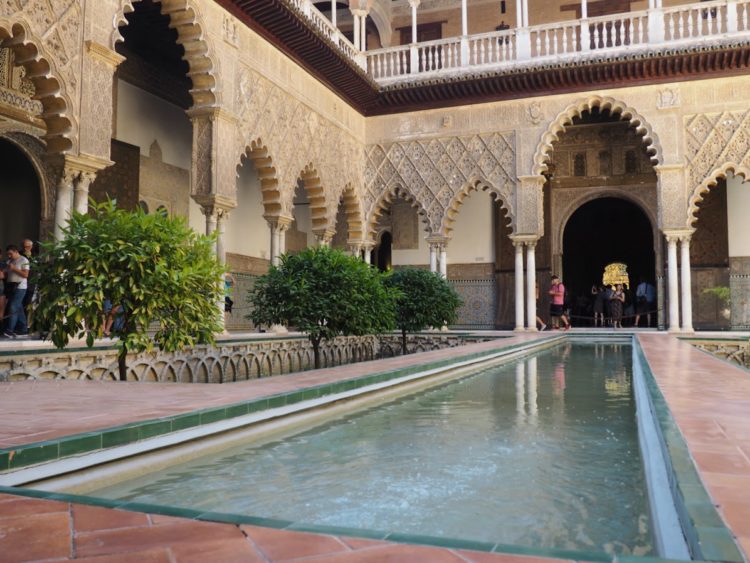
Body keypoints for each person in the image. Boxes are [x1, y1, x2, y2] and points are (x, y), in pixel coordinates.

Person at [2, 244, 30, 338]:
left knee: (13, 307)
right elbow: (5, 275)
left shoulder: (24, 260)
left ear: (16, 251)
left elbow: (25, 275)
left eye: (10, 254)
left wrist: (14, 268)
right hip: (11, 286)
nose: (9, 256)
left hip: (20, 287)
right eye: (8, 254)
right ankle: (23, 330)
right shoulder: (10, 261)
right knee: (19, 308)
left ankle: (10, 330)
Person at [20, 239, 35, 328]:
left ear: (31, 247)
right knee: (19, 305)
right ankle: (21, 325)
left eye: (28, 247)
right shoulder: (19, 255)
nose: (27, 248)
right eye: (25, 247)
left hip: (31, 284)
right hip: (21, 284)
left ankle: (26, 325)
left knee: (27, 305)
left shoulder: (35, 255)